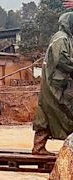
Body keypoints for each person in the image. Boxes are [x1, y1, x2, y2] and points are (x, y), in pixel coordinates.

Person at [32, 12, 73, 155]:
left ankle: (38, 147)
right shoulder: (61, 38)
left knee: (47, 113)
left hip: (56, 83)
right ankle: (39, 147)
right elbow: (62, 60)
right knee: (64, 111)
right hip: (56, 85)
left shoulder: (65, 38)